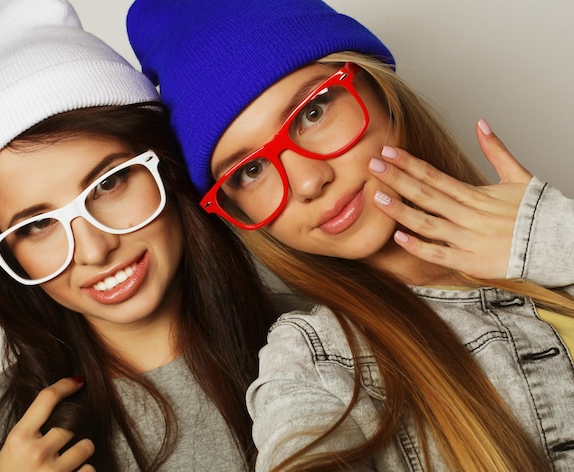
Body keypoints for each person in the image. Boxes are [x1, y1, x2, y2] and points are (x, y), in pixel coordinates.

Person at [126, 0, 574, 470]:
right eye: (251, 169)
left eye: (312, 112)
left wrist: (553, 237)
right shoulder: (315, 361)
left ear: (378, 88)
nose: (305, 182)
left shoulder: (552, 233)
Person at [0, 0, 278, 470]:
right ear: (9, 255)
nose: (96, 248)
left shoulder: (327, 346)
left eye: (109, 183)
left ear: (165, 166)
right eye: (38, 225)